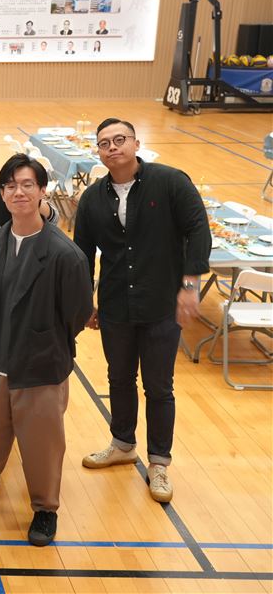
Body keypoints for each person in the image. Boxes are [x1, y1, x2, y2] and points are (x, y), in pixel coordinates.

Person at [0, 154, 93, 547]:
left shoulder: (65, 254)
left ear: (42, 191)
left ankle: (45, 509)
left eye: (27, 184)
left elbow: (78, 313)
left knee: (42, 445)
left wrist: (41, 337)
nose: (19, 192)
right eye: (11, 185)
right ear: (2, 193)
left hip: (40, 367)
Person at [75, 118, 210, 503]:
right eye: (104, 143)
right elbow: (81, 253)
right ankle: (122, 444)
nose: (112, 147)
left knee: (159, 386)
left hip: (161, 304)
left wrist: (190, 286)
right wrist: (85, 302)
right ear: (98, 152)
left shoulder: (170, 182)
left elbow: (198, 230)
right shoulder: (92, 199)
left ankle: (159, 462)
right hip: (116, 304)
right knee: (118, 378)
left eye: (120, 139)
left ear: (135, 144)